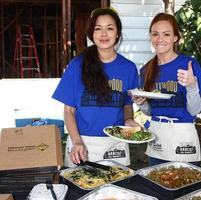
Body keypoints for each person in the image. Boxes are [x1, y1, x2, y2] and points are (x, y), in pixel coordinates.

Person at [52, 7, 139, 167]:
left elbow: (127, 105)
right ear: (92, 33)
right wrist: (77, 142)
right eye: (98, 28)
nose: (104, 34)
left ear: (118, 33)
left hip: (115, 144)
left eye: (109, 28)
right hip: (81, 143)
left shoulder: (128, 68)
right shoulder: (77, 65)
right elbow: (68, 111)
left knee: (114, 191)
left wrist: (129, 119)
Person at [131, 13, 201, 166]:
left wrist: (192, 86)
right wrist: (142, 103)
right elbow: (150, 112)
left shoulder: (189, 65)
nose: (160, 39)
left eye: (166, 34)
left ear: (175, 38)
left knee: (187, 184)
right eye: (155, 34)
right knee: (156, 183)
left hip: (183, 136)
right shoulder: (146, 70)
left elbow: (194, 111)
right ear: (151, 37)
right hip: (157, 135)